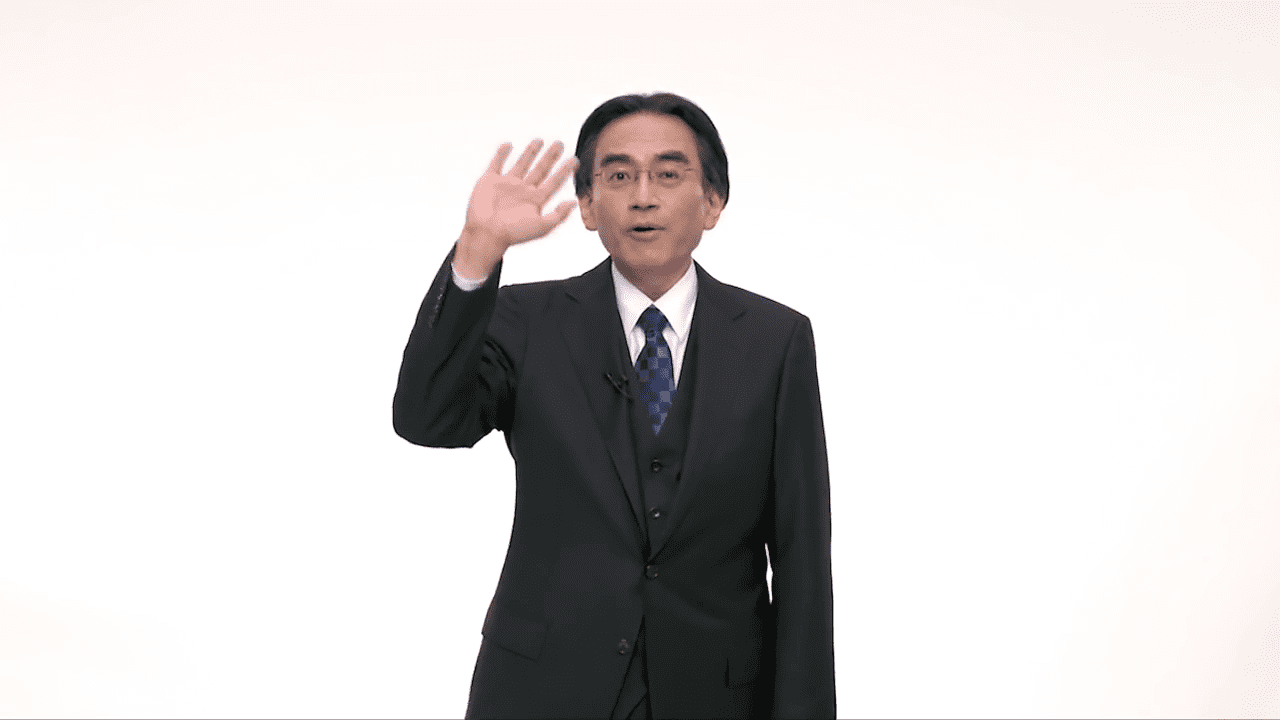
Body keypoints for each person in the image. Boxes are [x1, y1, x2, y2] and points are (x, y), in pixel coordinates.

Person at [393, 93, 834, 719]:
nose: (643, 197)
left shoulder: (774, 339)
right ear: (588, 205)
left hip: (718, 693)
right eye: (619, 176)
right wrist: (477, 251)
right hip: (542, 689)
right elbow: (427, 419)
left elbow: (801, 555)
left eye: (669, 174)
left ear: (713, 202)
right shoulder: (526, 321)